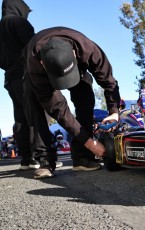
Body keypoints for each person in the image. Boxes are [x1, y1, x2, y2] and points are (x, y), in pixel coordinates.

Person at [24, 27, 121, 178]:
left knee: (86, 97)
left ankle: (82, 158)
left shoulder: (88, 49)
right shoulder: (35, 65)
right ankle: (45, 161)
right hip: (37, 73)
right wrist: (91, 143)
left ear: (74, 55)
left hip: (78, 65)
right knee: (37, 109)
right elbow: (59, 110)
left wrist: (114, 112)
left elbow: (109, 82)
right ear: (43, 63)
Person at [0, 0, 40, 169]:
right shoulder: (19, 22)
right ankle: (41, 157)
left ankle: (26, 159)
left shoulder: (1, 26)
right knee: (36, 113)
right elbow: (33, 47)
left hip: (9, 77)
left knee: (20, 117)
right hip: (25, 74)